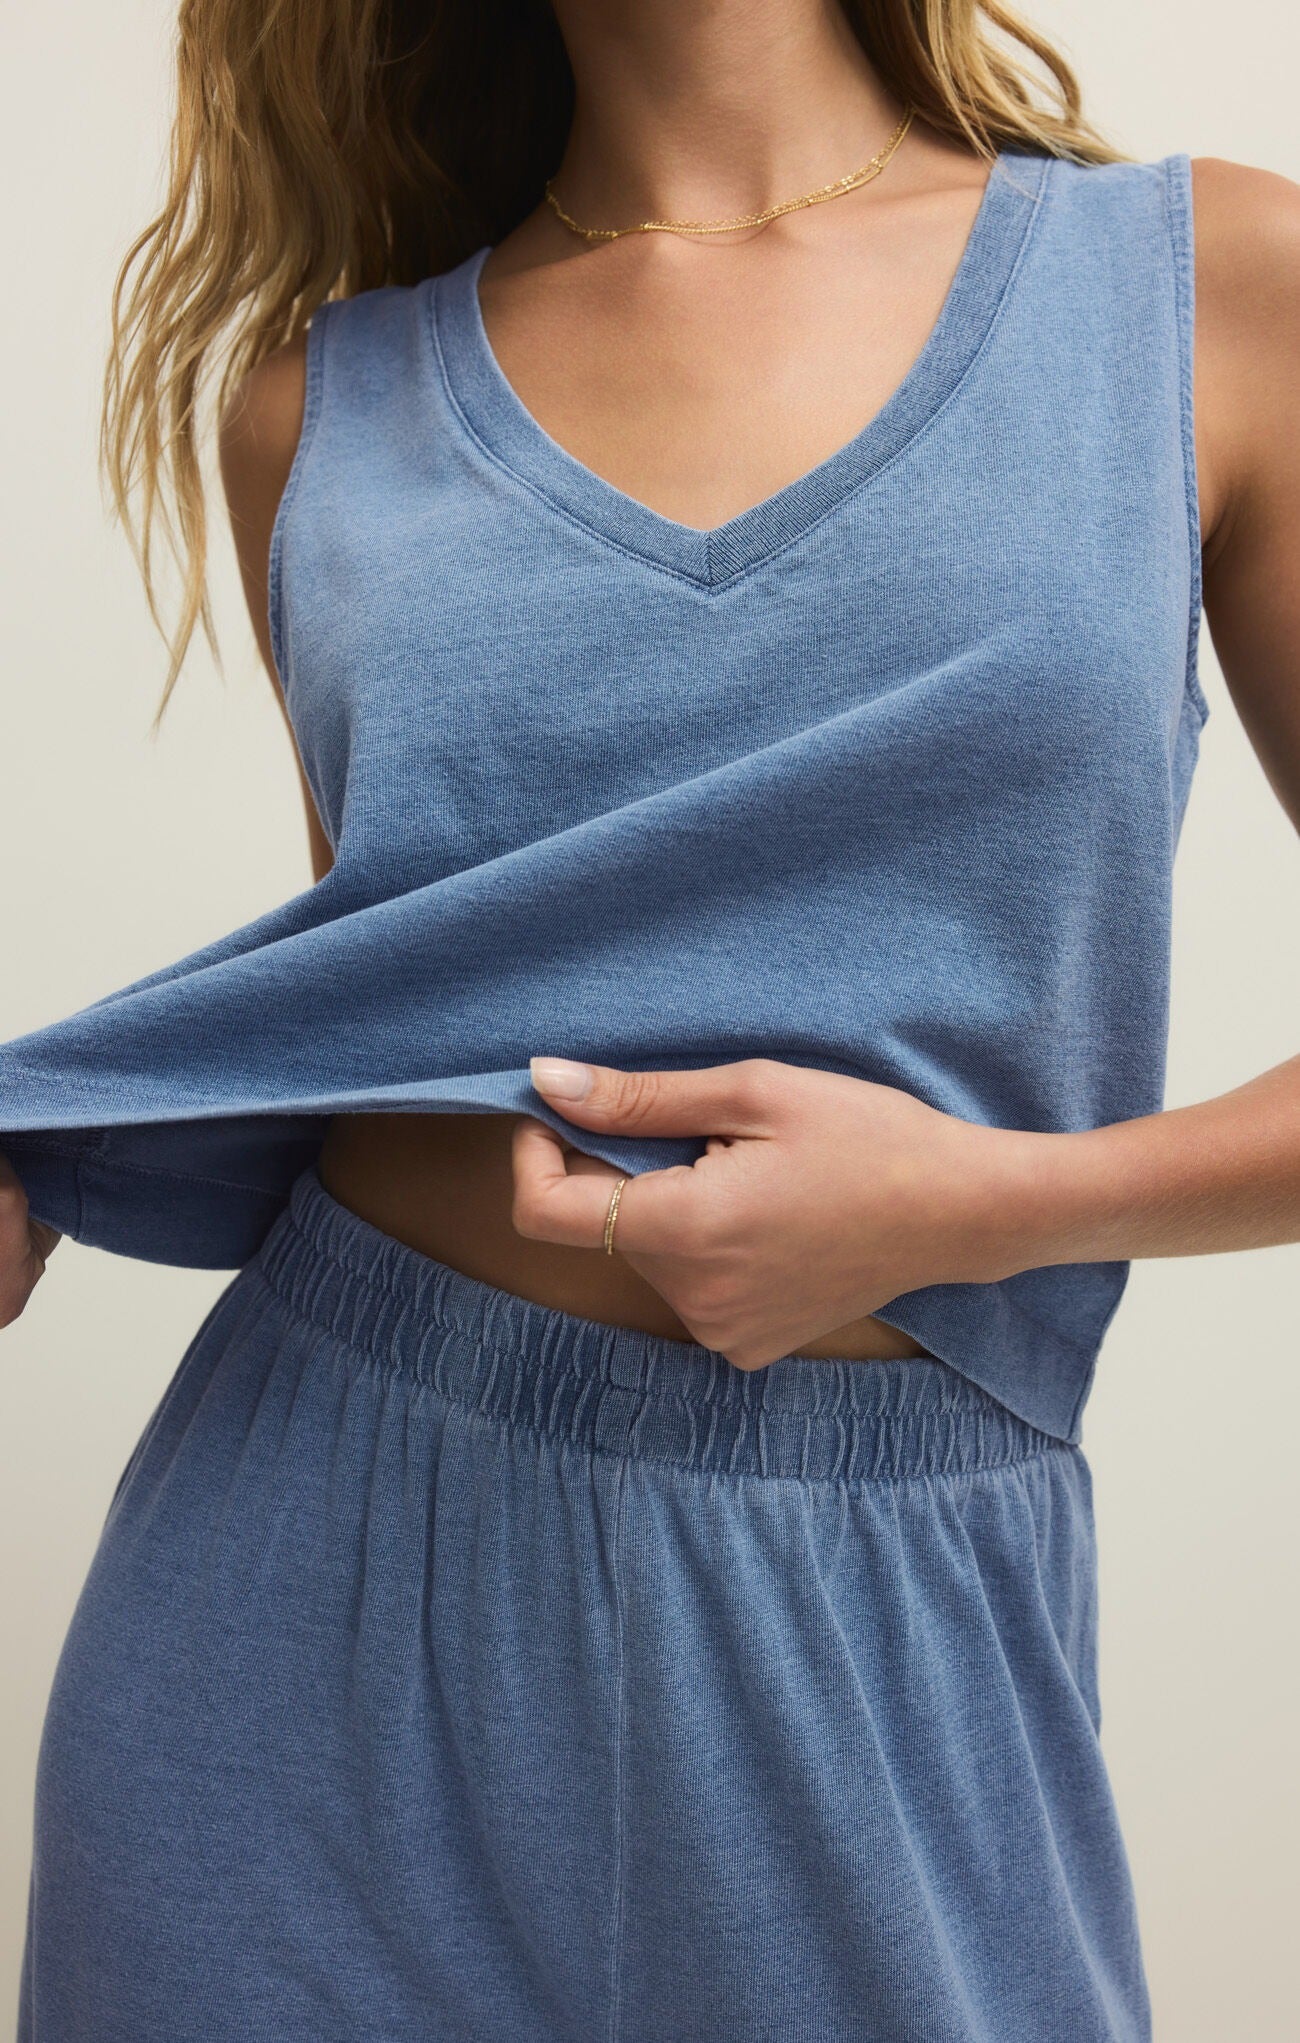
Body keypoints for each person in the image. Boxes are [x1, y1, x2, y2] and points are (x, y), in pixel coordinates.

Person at [2, 1, 1297, 2037]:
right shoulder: (313, 410)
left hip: (873, 1601)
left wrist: (979, 1202)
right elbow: (413, 993)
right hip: (306, 1586)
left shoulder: (1209, 290)